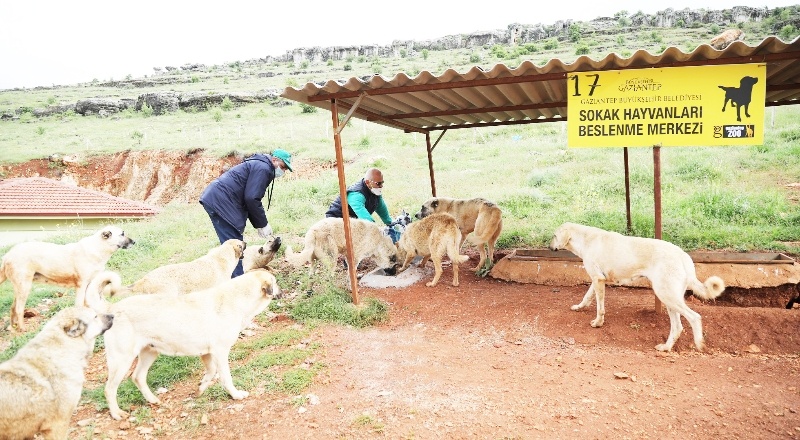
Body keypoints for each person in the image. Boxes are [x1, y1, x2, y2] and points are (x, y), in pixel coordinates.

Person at [199, 149, 293, 277]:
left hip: (218, 199)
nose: (283, 171)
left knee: (232, 243)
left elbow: (249, 198)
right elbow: (252, 198)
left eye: (286, 169)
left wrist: (259, 224)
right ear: (275, 160)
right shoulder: (264, 168)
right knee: (235, 246)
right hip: (221, 201)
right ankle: (237, 283)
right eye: (283, 166)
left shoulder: (261, 165)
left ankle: (231, 278)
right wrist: (263, 224)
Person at [325, 167, 393, 229]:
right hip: (336, 221)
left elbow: (381, 208)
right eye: (378, 183)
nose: (381, 186)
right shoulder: (357, 195)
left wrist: (390, 223)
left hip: (351, 219)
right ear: (367, 182)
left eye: (382, 183)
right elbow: (365, 218)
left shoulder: (375, 191)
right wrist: (375, 229)